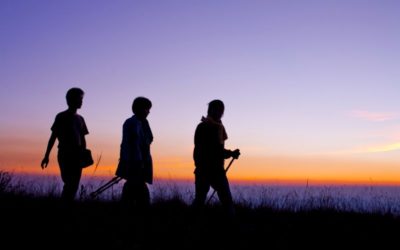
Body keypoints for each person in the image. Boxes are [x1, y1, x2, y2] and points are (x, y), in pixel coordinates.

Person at [192, 99, 240, 215]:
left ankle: (192, 221)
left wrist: (230, 153)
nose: (220, 112)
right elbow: (214, 150)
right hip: (210, 170)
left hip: (207, 169)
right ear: (211, 110)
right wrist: (231, 153)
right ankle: (232, 225)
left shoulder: (216, 127)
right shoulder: (207, 127)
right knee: (225, 200)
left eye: (221, 110)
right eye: (217, 110)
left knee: (201, 199)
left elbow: (215, 150)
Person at [41, 87, 89, 202]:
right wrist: (46, 156)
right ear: (71, 100)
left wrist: (84, 153)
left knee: (74, 184)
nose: (81, 102)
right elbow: (53, 137)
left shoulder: (80, 119)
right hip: (65, 154)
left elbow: (82, 139)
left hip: (77, 155)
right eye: (79, 99)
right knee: (70, 182)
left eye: (82, 99)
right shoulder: (61, 117)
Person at [115, 96, 153, 210]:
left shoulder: (143, 123)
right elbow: (131, 144)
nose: (148, 112)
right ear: (139, 109)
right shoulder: (131, 123)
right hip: (134, 162)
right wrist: (137, 161)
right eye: (147, 109)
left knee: (133, 187)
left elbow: (148, 140)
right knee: (136, 188)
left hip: (141, 162)